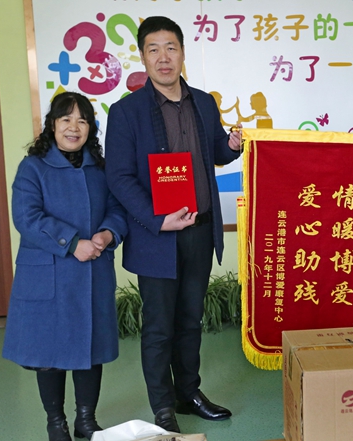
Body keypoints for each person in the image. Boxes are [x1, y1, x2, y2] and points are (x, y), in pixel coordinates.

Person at [104, 16, 242, 432]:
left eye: (171, 48)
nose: (163, 57)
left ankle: (189, 394)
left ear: (182, 53)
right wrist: (155, 219)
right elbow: (119, 177)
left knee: (190, 320)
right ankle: (163, 407)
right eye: (154, 49)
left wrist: (231, 145)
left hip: (199, 230)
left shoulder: (203, 102)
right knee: (159, 326)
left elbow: (216, 150)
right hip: (156, 237)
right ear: (143, 57)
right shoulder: (126, 112)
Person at [2, 92, 128, 441]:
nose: (74, 127)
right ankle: (55, 422)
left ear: (91, 128)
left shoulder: (100, 168)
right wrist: (72, 243)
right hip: (49, 272)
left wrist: (107, 233)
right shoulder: (33, 167)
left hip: (93, 271)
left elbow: (118, 209)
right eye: (66, 119)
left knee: (91, 348)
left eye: (82, 120)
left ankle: (86, 420)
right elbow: (26, 217)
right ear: (52, 125)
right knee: (49, 350)